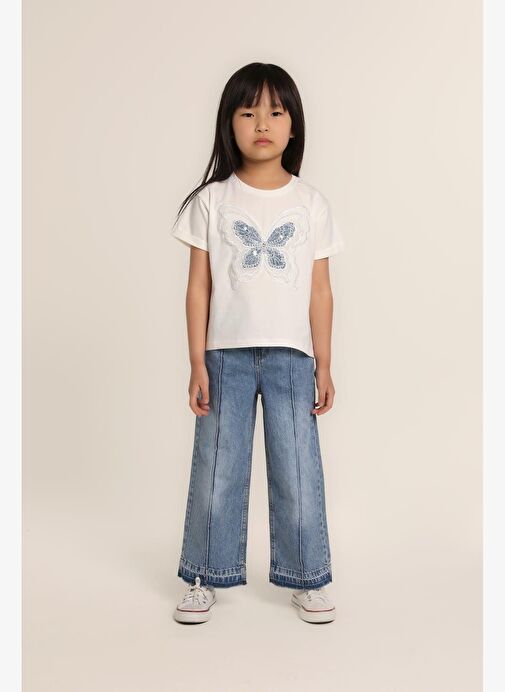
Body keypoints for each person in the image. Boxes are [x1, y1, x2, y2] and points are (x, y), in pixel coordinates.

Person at [170, 62, 345, 625]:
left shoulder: (311, 203)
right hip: (225, 356)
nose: (262, 123)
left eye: (275, 112)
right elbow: (199, 287)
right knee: (217, 468)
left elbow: (320, 290)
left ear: (294, 126)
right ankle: (204, 574)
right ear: (229, 123)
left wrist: (324, 362)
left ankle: (308, 577)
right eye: (248, 112)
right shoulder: (212, 201)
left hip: (293, 356)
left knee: (298, 469)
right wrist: (196, 360)